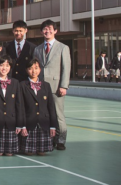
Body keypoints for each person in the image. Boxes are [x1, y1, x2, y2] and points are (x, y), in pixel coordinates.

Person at [33, 19, 71, 151]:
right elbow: (35, 68)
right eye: (44, 29)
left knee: (58, 114)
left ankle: (61, 140)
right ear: (41, 31)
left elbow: (66, 68)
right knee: (45, 114)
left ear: (55, 31)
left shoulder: (63, 48)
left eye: (50, 29)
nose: (47, 31)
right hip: (41, 87)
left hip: (56, 87)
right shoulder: (37, 49)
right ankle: (50, 139)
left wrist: (64, 86)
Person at [20, 58, 57, 156]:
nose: (34, 71)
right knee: (29, 152)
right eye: (30, 68)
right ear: (26, 70)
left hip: (44, 124)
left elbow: (51, 107)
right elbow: (21, 107)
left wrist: (53, 126)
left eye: (36, 68)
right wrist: (23, 125)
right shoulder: (22, 85)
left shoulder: (46, 85)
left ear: (40, 69)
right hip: (29, 123)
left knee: (42, 153)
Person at [0, 55, 23, 156]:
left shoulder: (15, 83)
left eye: (7, 65)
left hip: (11, 123)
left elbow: (19, 104)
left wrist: (19, 124)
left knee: (9, 153)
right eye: (1, 65)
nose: (4, 68)